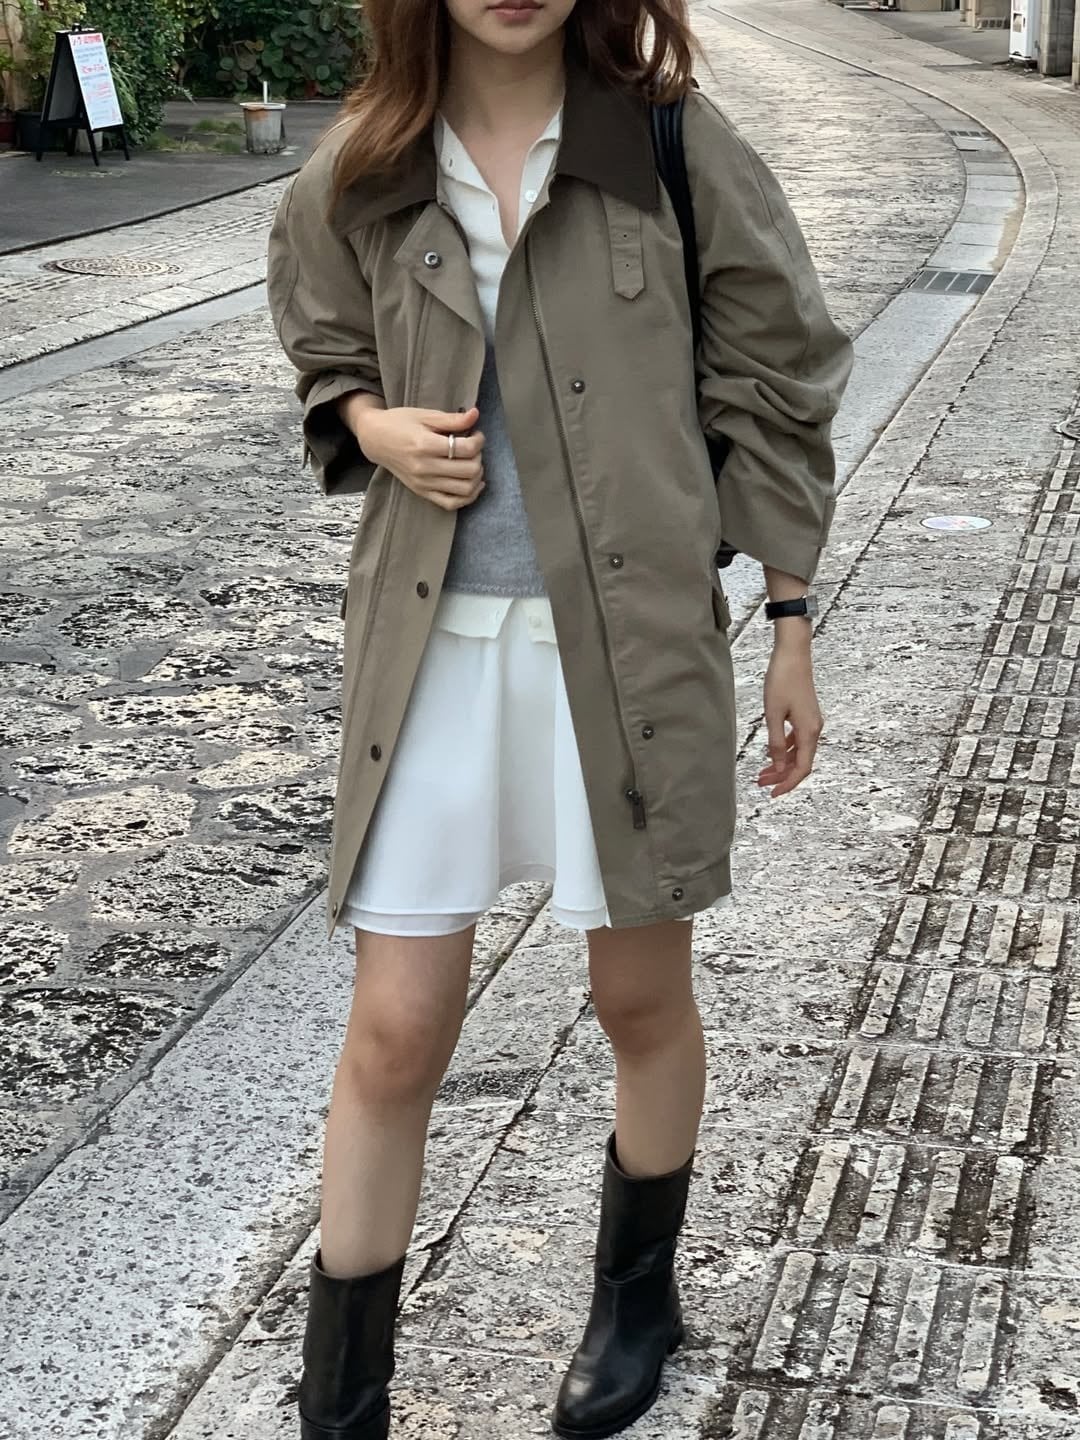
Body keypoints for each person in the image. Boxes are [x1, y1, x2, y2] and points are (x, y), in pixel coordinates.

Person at [267, 0, 852, 1435]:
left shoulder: (668, 143)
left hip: (628, 656)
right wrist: (371, 424)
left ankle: (638, 1297)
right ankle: (342, 1402)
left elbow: (778, 372)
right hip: (432, 659)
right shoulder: (366, 159)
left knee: (638, 997)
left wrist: (789, 618)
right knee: (394, 1033)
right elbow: (324, 340)